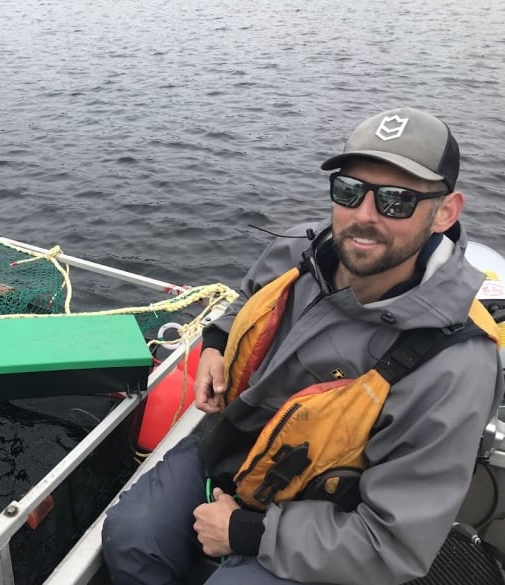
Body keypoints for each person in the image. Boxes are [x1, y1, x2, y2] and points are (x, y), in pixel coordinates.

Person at [101, 107, 505, 585]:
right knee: (131, 535)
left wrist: (247, 533)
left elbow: (394, 543)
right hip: (233, 447)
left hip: (327, 515)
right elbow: (251, 299)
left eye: (396, 201)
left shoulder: (455, 362)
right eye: (349, 191)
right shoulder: (301, 249)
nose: (364, 217)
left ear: (445, 212)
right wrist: (215, 342)